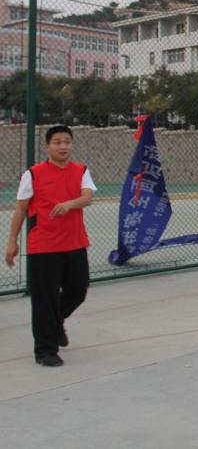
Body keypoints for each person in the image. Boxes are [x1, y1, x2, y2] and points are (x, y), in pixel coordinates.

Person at [4, 125, 96, 367]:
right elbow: (21, 209)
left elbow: (87, 197)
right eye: (57, 142)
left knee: (78, 289)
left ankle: (55, 323)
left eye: (67, 141)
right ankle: (45, 350)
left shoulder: (81, 170)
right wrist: (12, 242)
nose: (63, 146)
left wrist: (69, 204)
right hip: (43, 245)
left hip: (75, 242)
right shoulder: (33, 174)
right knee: (44, 298)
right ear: (47, 147)